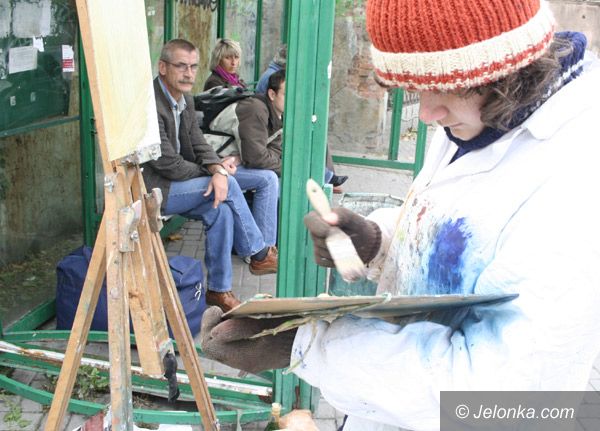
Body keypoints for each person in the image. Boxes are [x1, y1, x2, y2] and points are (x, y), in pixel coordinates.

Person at [199, 0, 600, 429]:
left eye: (446, 85)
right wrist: (377, 241)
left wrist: (305, 346)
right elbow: (459, 227)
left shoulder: (577, 178)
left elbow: (509, 396)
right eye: (414, 88)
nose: (427, 113)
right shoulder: (483, 113)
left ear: (511, 67)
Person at [142, 39, 278, 313]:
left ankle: (218, 290)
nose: (189, 73)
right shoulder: (150, 104)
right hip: (156, 189)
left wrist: (216, 167)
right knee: (227, 185)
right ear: (163, 67)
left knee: (222, 210)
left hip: (182, 183)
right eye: (181, 66)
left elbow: (199, 143)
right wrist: (215, 172)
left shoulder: (184, 100)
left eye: (193, 67)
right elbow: (167, 164)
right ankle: (259, 252)